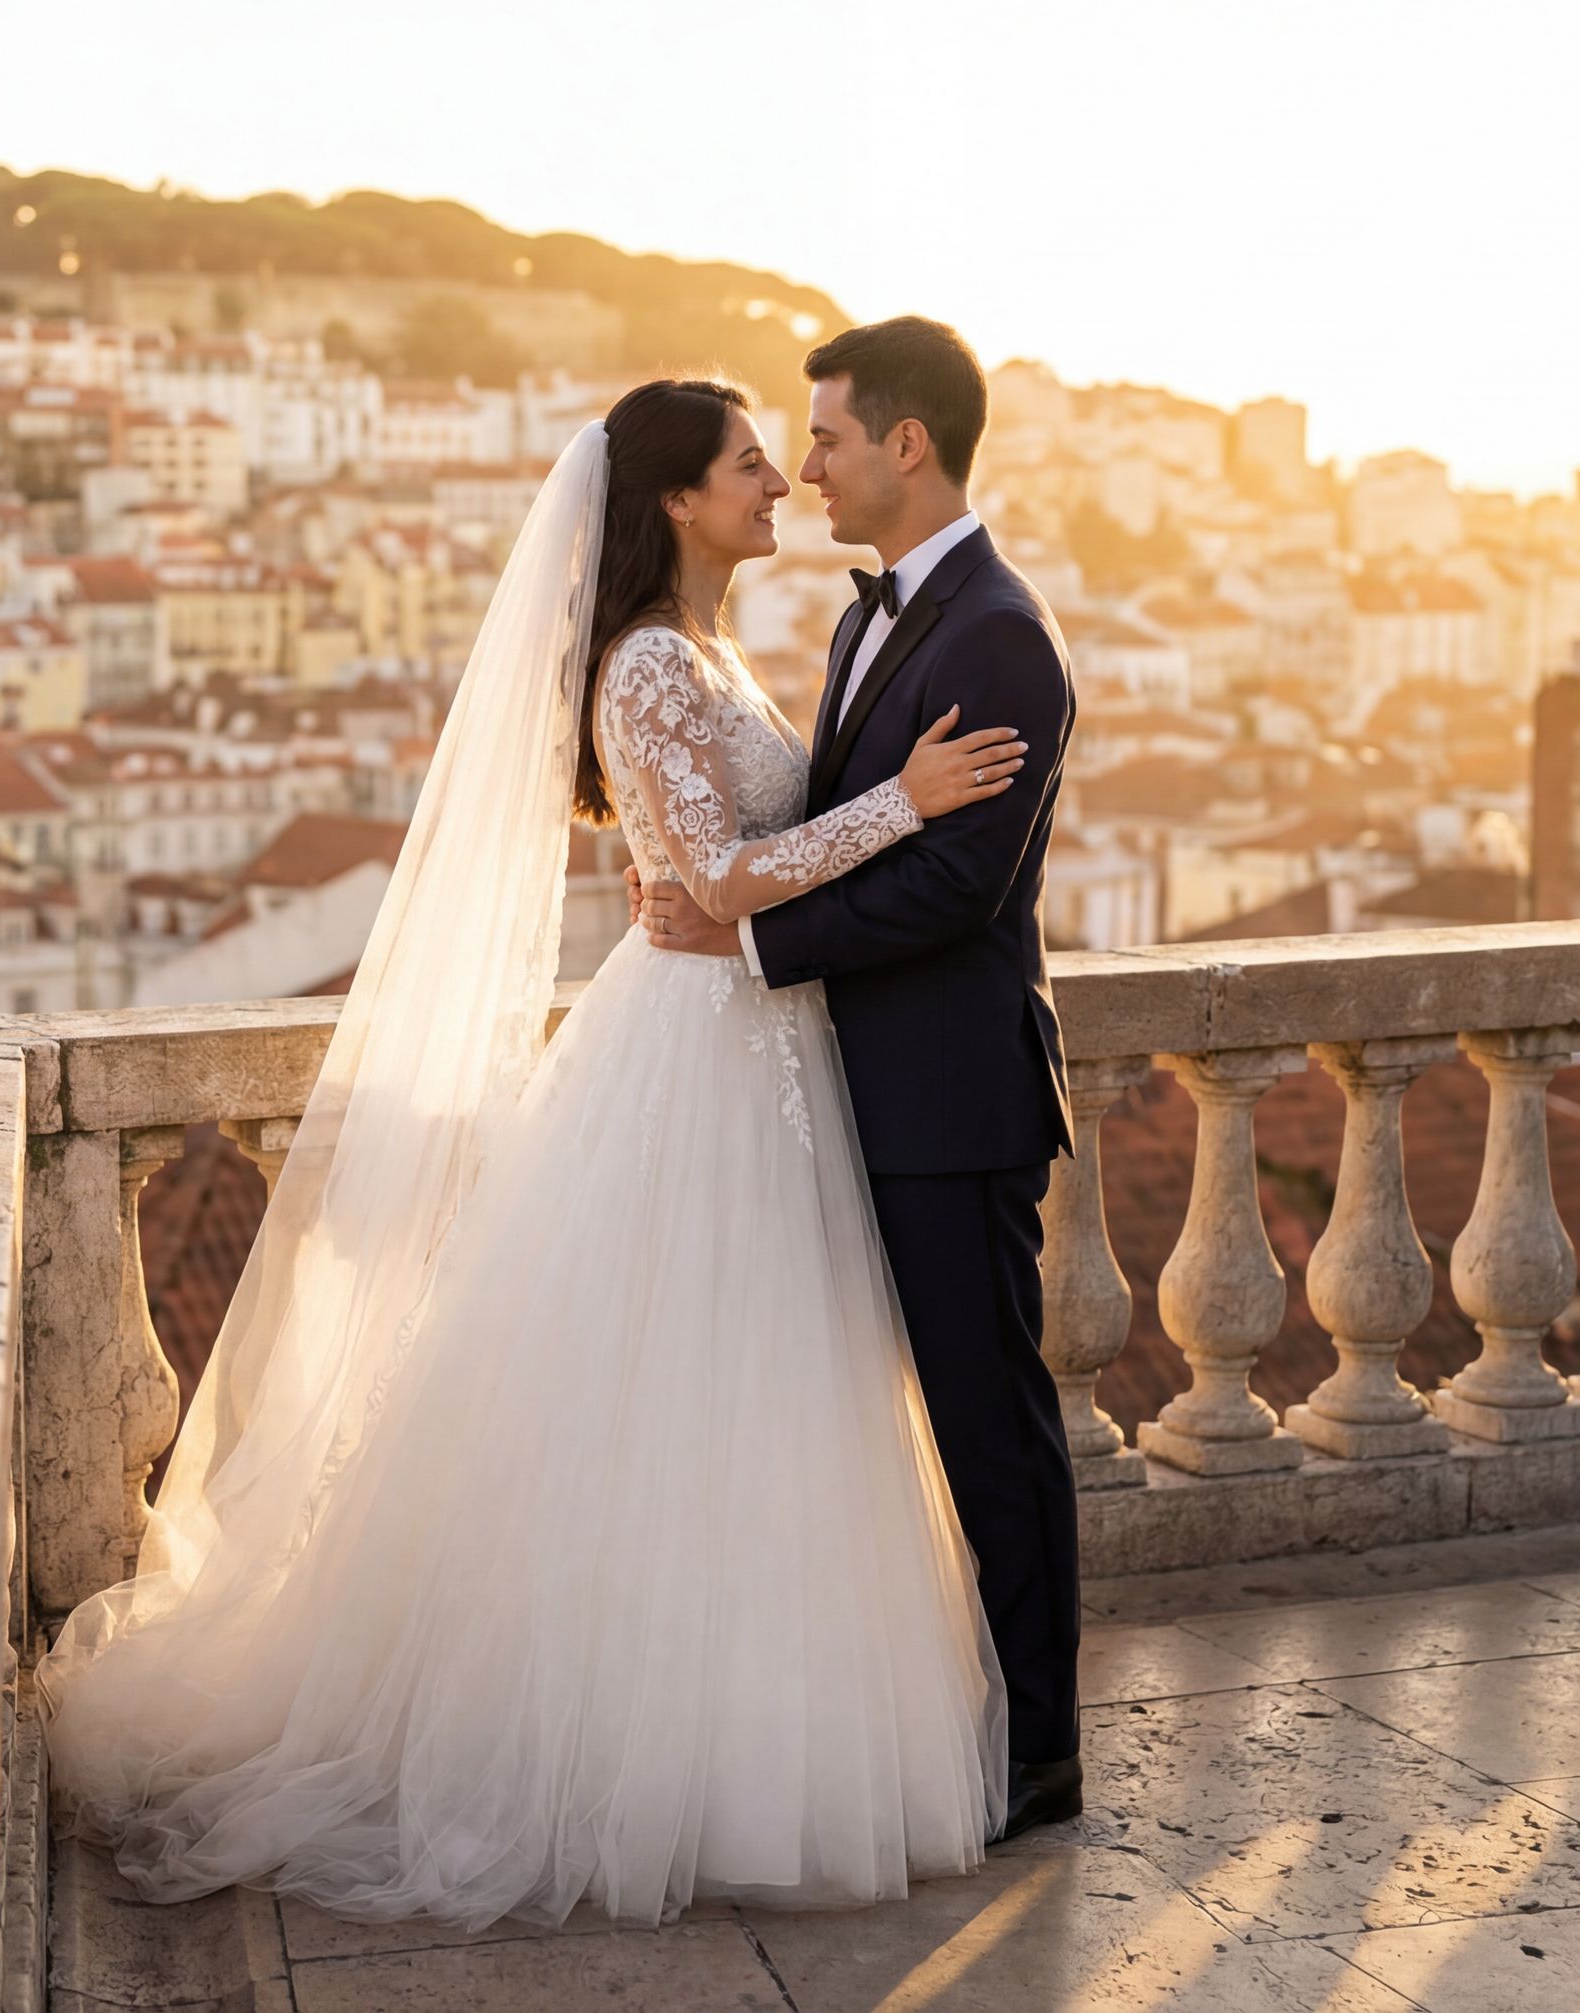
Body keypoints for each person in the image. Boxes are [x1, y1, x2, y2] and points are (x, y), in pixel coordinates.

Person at [40, 368, 1039, 1931]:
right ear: (674, 500)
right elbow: (706, 870)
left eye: (794, 457)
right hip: (692, 1053)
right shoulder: (646, 664)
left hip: (760, 1044)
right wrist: (901, 806)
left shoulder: (708, 649)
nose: (780, 484)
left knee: (763, 1403)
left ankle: (745, 1743)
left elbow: (723, 878)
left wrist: (807, 858)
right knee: (666, 1398)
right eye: (753, 465)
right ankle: (645, 1756)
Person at [636, 315, 1084, 1842]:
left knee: (984, 1421)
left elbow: (956, 885)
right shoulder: (864, 622)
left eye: (821, 437)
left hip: (948, 1102)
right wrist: (733, 904)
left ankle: (1040, 1745)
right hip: (841, 1094)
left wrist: (749, 945)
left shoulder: (1001, 635)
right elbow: (833, 823)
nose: (803, 464)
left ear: (907, 445)